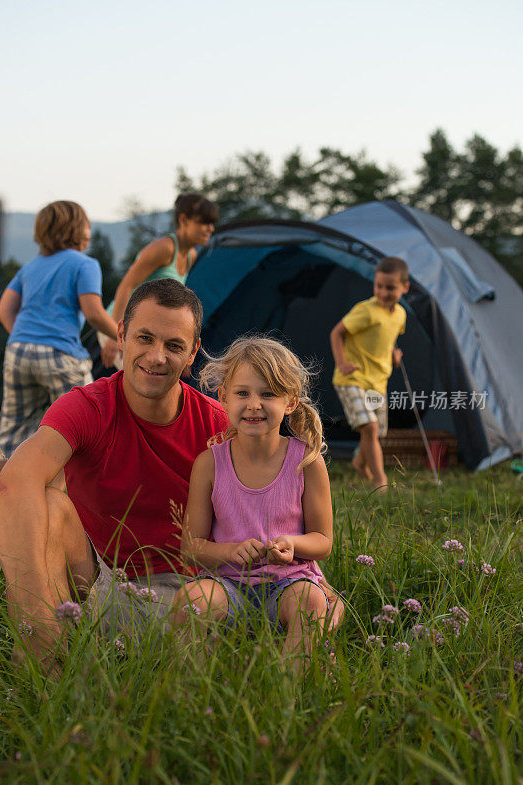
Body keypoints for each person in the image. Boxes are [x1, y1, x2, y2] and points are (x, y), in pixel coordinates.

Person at [0, 279, 228, 669]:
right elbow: (10, 488)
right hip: (98, 581)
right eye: (145, 338)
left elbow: (269, 507)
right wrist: (39, 619)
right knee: (45, 500)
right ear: (121, 334)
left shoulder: (217, 425)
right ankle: (45, 651)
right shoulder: (87, 406)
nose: (156, 357)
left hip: (185, 597)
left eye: (173, 345)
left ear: (192, 353)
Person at [171, 336, 342, 670]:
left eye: (268, 394)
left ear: (290, 401)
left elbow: (323, 541)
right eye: (242, 393)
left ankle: (288, 686)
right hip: (227, 584)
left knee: (311, 601)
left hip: (289, 582)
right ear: (223, 398)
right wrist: (230, 552)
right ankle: (192, 692)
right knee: (190, 601)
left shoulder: (306, 462)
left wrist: (292, 543)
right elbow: (190, 547)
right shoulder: (209, 464)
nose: (253, 404)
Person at [0, 200, 119, 480]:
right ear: (75, 229)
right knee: (85, 421)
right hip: (60, 355)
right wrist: (121, 337)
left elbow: (4, 310)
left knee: (11, 429)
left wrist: (27, 339)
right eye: (87, 224)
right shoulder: (84, 264)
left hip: (18, 351)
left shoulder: (31, 266)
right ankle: (74, 500)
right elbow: (94, 312)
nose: (90, 230)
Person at [100, 193, 218, 369]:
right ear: (184, 220)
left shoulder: (190, 255)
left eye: (212, 223)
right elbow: (126, 286)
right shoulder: (164, 248)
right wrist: (113, 334)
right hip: (121, 324)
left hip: (149, 330)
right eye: (204, 222)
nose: (211, 229)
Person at [330, 257, 410, 491]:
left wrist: (394, 353)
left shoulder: (400, 315)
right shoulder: (366, 311)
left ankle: (359, 462)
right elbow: (337, 333)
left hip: (378, 383)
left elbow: (389, 336)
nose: (383, 292)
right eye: (379, 286)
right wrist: (341, 362)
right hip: (352, 380)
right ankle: (380, 482)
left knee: (377, 432)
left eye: (390, 287)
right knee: (370, 428)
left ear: (405, 288)